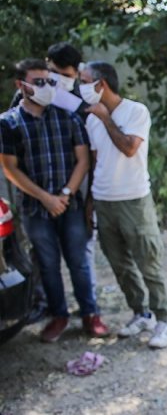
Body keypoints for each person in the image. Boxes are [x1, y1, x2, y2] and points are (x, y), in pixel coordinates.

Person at [0, 58, 108, 342]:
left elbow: (83, 160)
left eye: (49, 81)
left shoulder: (67, 117)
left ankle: (90, 314)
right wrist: (46, 198)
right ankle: (59, 315)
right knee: (47, 265)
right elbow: (10, 169)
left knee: (79, 262)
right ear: (20, 85)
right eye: (38, 82)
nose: (46, 87)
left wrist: (64, 194)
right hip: (35, 209)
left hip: (69, 204)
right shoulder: (8, 123)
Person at [79, 61, 167, 349]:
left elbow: (129, 148)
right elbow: (96, 163)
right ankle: (140, 313)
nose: (80, 87)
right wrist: (90, 203)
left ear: (101, 84)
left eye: (84, 81)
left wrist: (106, 118)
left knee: (148, 263)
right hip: (104, 202)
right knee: (121, 265)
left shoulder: (135, 111)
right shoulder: (91, 119)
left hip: (133, 201)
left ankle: (163, 321)